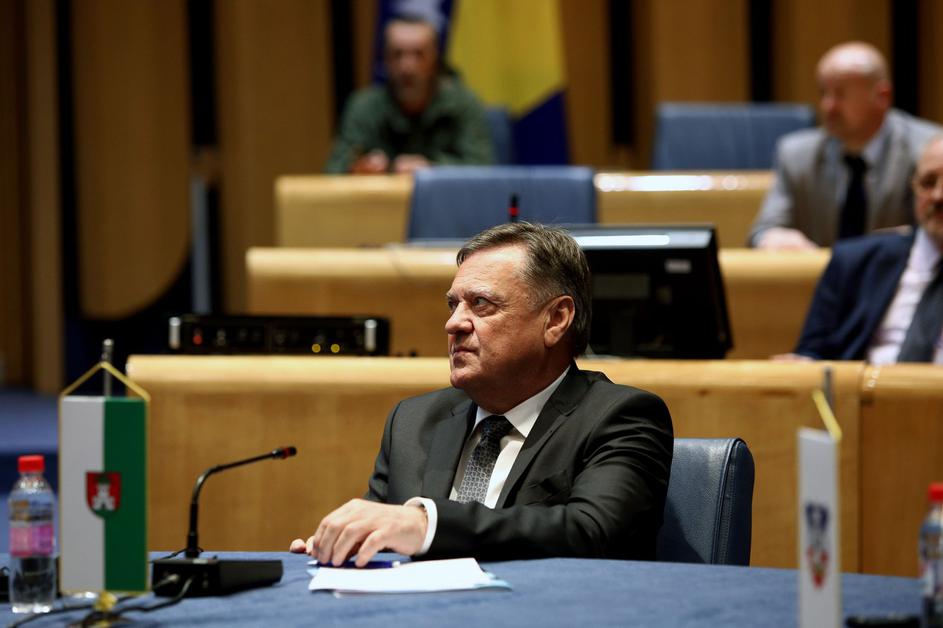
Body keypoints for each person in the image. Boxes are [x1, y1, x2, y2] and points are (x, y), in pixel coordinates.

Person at [290, 222, 673, 565]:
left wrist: (429, 524)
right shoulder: (412, 421)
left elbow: (591, 531)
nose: (453, 323)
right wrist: (346, 543)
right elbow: (384, 531)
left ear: (556, 319)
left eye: (481, 304)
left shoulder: (619, 417)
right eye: (453, 304)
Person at [749, 42, 941, 250]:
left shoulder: (929, 152)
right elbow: (763, 230)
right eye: (824, 93)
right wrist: (773, 238)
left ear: (882, 96)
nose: (828, 106)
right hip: (821, 270)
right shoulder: (796, 155)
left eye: (840, 94)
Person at [778, 134, 943, 363]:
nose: (938, 196)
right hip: (866, 383)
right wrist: (801, 365)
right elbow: (812, 355)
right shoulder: (854, 261)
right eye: (928, 182)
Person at [324, 15, 494, 174]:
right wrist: (358, 169)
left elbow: (484, 170)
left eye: (418, 54)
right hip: (384, 197)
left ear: (435, 60)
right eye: (398, 54)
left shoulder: (463, 105)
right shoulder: (364, 106)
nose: (407, 67)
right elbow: (333, 172)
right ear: (386, 60)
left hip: (443, 196)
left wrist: (431, 168)